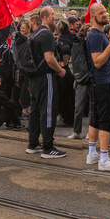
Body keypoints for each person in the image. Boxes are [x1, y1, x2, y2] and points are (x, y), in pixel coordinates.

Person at [81, 5, 110, 171]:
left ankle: (92, 154)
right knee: (106, 119)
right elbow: (97, 62)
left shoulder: (98, 34)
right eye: (101, 13)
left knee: (96, 118)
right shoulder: (95, 36)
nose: (105, 14)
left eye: (105, 12)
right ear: (93, 16)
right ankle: (104, 159)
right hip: (101, 83)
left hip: (99, 82)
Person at [24, 10, 70, 159]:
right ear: (45, 18)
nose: (54, 18)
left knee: (35, 112)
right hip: (46, 77)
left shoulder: (33, 35)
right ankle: (48, 147)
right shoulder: (47, 34)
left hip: (34, 78)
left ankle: (33, 143)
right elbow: (49, 58)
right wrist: (60, 70)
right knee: (48, 111)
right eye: (52, 16)